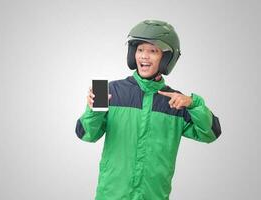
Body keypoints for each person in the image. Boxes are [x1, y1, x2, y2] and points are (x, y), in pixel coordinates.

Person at [75, 19, 221, 200]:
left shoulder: (177, 102)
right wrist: (93, 110)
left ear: (167, 58)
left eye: (153, 51)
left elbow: (211, 133)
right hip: (111, 195)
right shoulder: (110, 91)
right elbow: (86, 134)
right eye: (140, 49)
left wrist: (194, 104)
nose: (144, 56)